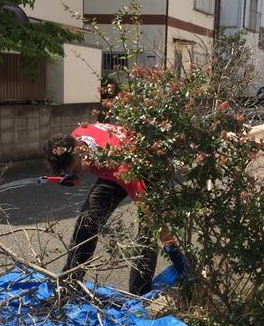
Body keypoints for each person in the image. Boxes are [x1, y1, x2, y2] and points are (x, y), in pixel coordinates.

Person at [44, 122, 187, 296]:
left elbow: (151, 212)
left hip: (144, 166)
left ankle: (139, 295)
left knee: (147, 232)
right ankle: (70, 282)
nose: (78, 174)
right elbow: (73, 164)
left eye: (76, 169)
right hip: (112, 168)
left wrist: (170, 246)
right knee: (87, 220)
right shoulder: (75, 137)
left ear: (80, 150)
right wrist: (69, 176)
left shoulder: (120, 164)